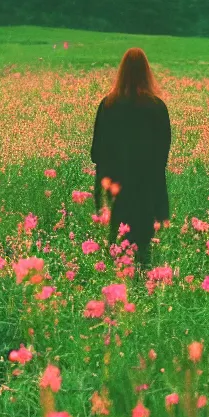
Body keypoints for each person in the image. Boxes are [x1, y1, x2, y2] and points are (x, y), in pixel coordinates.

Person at [90, 47, 171, 271]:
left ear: (121, 72)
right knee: (143, 251)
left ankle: (118, 295)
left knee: (116, 249)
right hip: (146, 189)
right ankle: (144, 293)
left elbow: (96, 153)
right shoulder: (157, 108)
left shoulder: (108, 105)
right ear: (147, 72)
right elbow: (162, 157)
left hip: (115, 189)